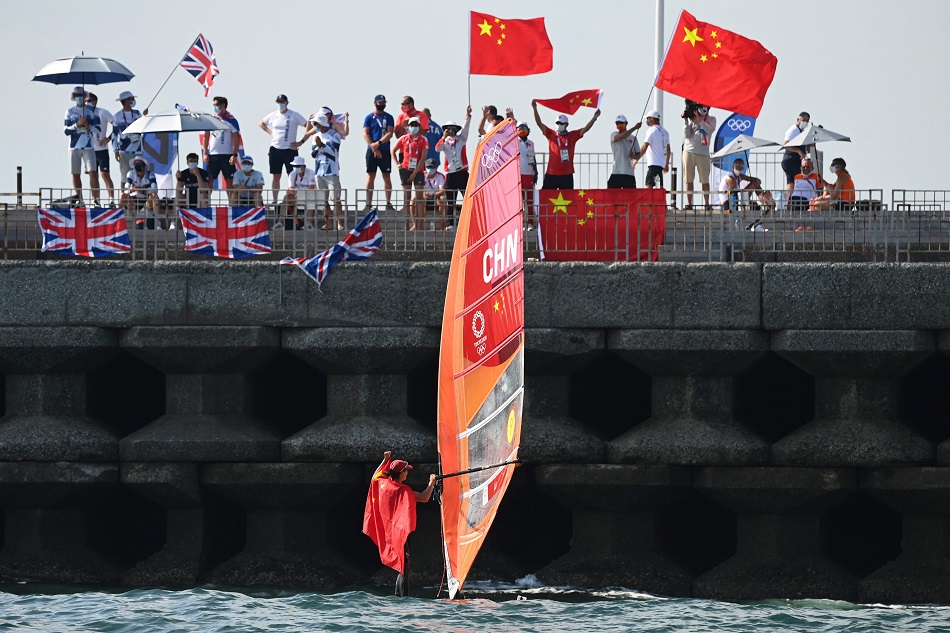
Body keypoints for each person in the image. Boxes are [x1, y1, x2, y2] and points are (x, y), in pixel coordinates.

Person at [363, 451, 436, 598]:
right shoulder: (403, 490)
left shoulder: (382, 484)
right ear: (401, 473)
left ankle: (398, 596)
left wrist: (385, 460)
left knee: (402, 566)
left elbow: (374, 477)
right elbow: (424, 497)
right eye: (406, 471)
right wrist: (431, 483)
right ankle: (403, 598)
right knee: (404, 567)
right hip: (400, 533)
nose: (407, 474)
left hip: (388, 532)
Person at [532, 100, 600, 190]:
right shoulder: (551, 134)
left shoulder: (572, 135)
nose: (559, 125)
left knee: (568, 201)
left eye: (561, 123)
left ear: (566, 125)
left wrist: (594, 118)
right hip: (551, 173)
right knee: (546, 200)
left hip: (567, 174)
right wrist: (535, 109)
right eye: (557, 123)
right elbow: (539, 123)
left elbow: (585, 129)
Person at [258, 94, 308, 207]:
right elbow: (261, 123)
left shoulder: (294, 115)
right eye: (278, 102)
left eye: (282, 102)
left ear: (287, 103)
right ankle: (275, 200)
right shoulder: (273, 115)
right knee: (276, 175)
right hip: (275, 149)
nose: (280, 104)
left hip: (290, 149)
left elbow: (308, 126)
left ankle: (293, 198)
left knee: (293, 175)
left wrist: (301, 141)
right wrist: (270, 132)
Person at [434, 106, 472, 226]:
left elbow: (466, 128)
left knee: (468, 198)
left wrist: (468, 115)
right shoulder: (444, 143)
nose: (451, 131)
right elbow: (437, 149)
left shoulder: (462, 139)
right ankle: (451, 223)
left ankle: (470, 221)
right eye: (448, 129)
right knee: (450, 200)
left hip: (462, 173)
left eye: (453, 129)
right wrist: (443, 137)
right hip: (450, 174)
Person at [63, 86, 101, 204]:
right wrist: (77, 125)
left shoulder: (92, 111)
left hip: (88, 145)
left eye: (81, 95)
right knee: (75, 174)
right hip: (74, 146)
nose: (79, 97)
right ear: (74, 97)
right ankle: (80, 199)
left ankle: (95, 199)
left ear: (85, 97)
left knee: (93, 172)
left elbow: (98, 129)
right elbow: (66, 131)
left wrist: (88, 126)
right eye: (77, 95)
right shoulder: (69, 112)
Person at [392, 117, 429, 230]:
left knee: (419, 197)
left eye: (416, 125)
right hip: (405, 169)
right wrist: (397, 164)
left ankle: (420, 224)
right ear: (408, 126)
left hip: (418, 170)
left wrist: (415, 172)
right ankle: (408, 224)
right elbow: (393, 150)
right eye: (412, 125)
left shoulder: (423, 140)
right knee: (406, 197)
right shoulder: (404, 138)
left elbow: (423, 157)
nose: (414, 127)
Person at [310, 113, 345, 230]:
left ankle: (339, 222)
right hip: (319, 172)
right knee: (323, 200)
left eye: (315, 123)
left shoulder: (334, 135)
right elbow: (313, 154)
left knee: (335, 199)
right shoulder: (315, 136)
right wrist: (319, 146)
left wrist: (322, 146)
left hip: (332, 172)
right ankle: (328, 222)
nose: (314, 126)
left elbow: (334, 152)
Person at [362, 94, 396, 211]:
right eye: (380, 102)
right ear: (375, 103)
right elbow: (365, 134)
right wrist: (373, 146)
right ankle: (368, 203)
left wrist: (379, 144)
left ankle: (388, 203)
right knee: (371, 175)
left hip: (385, 149)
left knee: (386, 175)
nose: (382, 104)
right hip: (371, 150)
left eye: (383, 102)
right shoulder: (369, 117)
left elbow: (390, 133)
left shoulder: (389, 117)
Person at [203, 96, 241, 198]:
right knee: (209, 179)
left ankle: (231, 204)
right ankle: (206, 203)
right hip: (213, 155)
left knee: (229, 180)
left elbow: (236, 138)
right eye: (214, 105)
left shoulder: (231, 120)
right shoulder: (211, 119)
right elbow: (206, 137)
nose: (215, 107)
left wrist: (234, 154)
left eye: (217, 105)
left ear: (223, 106)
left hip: (227, 155)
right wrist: (205, 153)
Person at [681, 102, 716, 209]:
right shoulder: (692, 119)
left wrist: (700, 120)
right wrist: (686, 120)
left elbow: (709, 130)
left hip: (703, 153)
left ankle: (706, 203)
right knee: (689, 179)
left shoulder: (712, 119)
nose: (702, 110)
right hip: (689, 151)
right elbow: (687, 135)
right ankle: (689, 203)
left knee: (705, 179)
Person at [85, 93, 116, 206]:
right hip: (88, 149)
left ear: (95, 101)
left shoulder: (103, 112)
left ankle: (111, 199)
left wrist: (108, 138)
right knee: (93, 175)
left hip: (102, 149)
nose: (88, 103)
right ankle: (95, 200)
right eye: (86, 101)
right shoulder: (83, 114)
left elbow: (116, 125)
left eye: (90, 100)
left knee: (105, 174)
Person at [112, 90, 148, 185]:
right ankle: (123, 197)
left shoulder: (137, 113)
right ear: (126, 101)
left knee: (142, 174)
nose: (133, 100)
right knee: (125, 176)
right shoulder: (117, 116)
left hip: (138, 150)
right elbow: (114, 135)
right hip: (125, 151)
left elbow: (143, 127)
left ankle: (141, 197)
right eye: (131, 99)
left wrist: (145, 117)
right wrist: (115, 151)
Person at [633, 110, 671, 189]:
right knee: (659, 187)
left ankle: (650, 201)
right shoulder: (665, 132)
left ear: (652, 119)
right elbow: (668, 149)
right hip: (661, 164)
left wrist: (636, 159)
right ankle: (660, 201)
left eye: (648, 118)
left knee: (649, 185)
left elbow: (644, 146)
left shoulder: (651, 130)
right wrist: (666, 164)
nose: (647, 121)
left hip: (653, 164)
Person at [121, 156, 159, 229]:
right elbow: (126, 189)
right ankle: (117, 217)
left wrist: (144, 191)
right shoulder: (131, 173)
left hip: (146, 197)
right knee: (123, 195)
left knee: (154, 195)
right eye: (135, 163)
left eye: (139, 163)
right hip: (134, 197)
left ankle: (158, 221)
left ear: (144, 165)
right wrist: (132, 189)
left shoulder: (150, 174)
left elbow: (155, 188)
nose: (137, 165)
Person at [607, 114, 642, 189]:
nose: (619, 125)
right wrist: (635, 128)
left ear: (626, 123)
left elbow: (638, 154)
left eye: (621, 123)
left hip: (629, 173)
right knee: (612, 198)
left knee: (630, 198)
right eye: (617, 123)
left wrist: (633, 156)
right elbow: (621, 137)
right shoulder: (614, 134)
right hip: (616, 172)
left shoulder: (633, 138)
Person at [781, 112, 811, 195]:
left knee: (792, 181)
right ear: (798, 119)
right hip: (790, 160)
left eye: (807, 121)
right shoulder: (794, 130)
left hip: (795, 160)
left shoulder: (802, 131)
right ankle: (791, 200)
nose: (805, 123)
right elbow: (786, 145)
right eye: (803, 120)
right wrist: (799, 151)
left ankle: (790, 200)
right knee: (794, 180)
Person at [283, 155, 316, 230]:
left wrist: (299, 192)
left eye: (298, 166)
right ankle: (281, 223)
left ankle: (309, 223)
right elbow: (290, 187)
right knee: (286, 198)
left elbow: (311, 187)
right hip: (296, 195)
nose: (296, 168)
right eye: (294, 166)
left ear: (303, 166)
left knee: (310, 199)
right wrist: (294, 192)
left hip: (309, 195)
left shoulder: (311, 173)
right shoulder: (292, 174)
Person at [516, 121, 538, 228]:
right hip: (518, 174)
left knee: (529, 199)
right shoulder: (515, 142)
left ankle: (530, 222)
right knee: (519, 201)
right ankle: (520, 223)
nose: (522, 129)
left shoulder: (531, 143)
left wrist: (536, 172)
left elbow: (533, 157)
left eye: (524, 127)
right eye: (520, 127)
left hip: (529, 174)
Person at [422, 158, 448, 230]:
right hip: (424, 196)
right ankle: (418, 224)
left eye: (432, 167)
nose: (430, 169)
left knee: (443, 199)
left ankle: (442, 224)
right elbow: (419, 189)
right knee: (414, 199)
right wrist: (424, 194)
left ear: (436, 167)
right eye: (428, 167)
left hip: (436, 196)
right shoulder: (421, 175)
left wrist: (434, 196)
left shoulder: (440, 176)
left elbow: (442, 190)